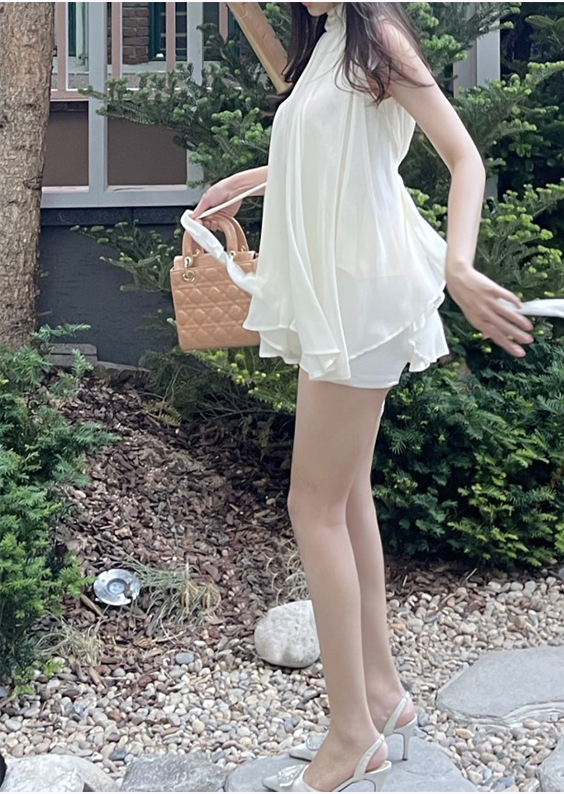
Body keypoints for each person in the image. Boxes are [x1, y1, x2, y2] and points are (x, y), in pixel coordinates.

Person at [189, 2, 534, 790]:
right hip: (343, 294)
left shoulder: (378, 39)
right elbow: (333, 157)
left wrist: (460, 264)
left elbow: (465, 158)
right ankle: (379, 693)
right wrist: (250, 182)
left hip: (363, 297)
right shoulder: (330, 44)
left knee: (312, 507)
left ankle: (351, 733)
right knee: (343, 498)